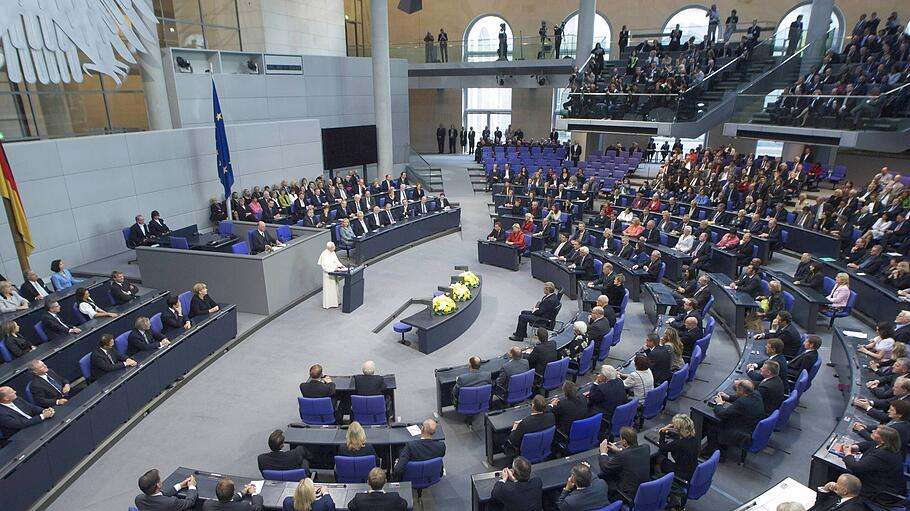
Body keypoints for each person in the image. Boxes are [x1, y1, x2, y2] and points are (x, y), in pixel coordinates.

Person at [840, 425, 906, 507]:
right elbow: (870, 444)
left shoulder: (883, 454)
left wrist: (848, 454)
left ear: (883, 440)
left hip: (877, 490)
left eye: (876, 432)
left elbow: (856, 467)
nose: (872, 431)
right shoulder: (887, 445)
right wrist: (856, 447)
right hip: (880, 481)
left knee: (844, 477)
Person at [706, 379, 765, 462]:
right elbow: (740, 397)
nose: (736, 391)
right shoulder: (756, 393)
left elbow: (722, 414)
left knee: (713, 426)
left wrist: (719, 404)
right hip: (751, 426)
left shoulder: (742, 402)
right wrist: (728, 397)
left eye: (737, 389)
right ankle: (721, 447)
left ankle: (716, 455)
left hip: (742, 432)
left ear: (741, 391)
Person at [599, 426, 650, 501]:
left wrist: (603, 452)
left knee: (603, 480)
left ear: (624, 441)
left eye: (621, 439)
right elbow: (631, 455)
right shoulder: (646, 448)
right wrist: (620, 450)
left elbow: (605, 467)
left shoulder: (622, 455)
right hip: (643, 489)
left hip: (627, 495)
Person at [655, 414, 701, 481]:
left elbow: (662, 448)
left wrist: (663, 432)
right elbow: (680, 436)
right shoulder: (694, 439)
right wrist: (668, 432)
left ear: (678, 429)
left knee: (659, 458)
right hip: (692, 470)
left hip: (681, 473)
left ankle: (659, 478)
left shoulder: (678, 444)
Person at [317, 242, 346, 309]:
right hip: (328, 275)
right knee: (330, 289)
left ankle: (336, 302)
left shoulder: (332, 252)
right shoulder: (324, 254)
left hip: (335, 273)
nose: (334, 248)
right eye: (333, 247)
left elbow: (336, 261)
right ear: (329, 248)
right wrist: (334, 269)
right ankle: (329, 304)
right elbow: (325, 267)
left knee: (335, 288)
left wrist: (341, 266)